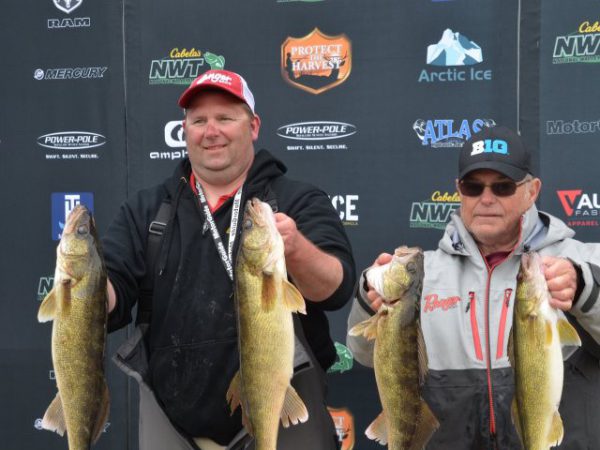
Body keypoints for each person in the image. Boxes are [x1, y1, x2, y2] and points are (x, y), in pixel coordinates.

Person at [103, 69, 356, 450]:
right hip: (175, 422)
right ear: (184, 130)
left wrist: (296, 249)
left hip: (286, 410)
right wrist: (86, 284)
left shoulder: (298, 200)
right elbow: (113, 296)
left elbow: (336, 287)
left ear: (253, 127)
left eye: (225, 118)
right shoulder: (146, 210)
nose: (211, 131)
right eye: (199, 121)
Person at [347, 126, 600, 449]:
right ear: (459, 190)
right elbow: (363, 354)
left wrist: (585, 289)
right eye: (473, 186)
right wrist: (370, 299)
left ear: (532, 191)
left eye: (503, 186)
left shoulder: (584, 260)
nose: (486, 199)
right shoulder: (421, 274)